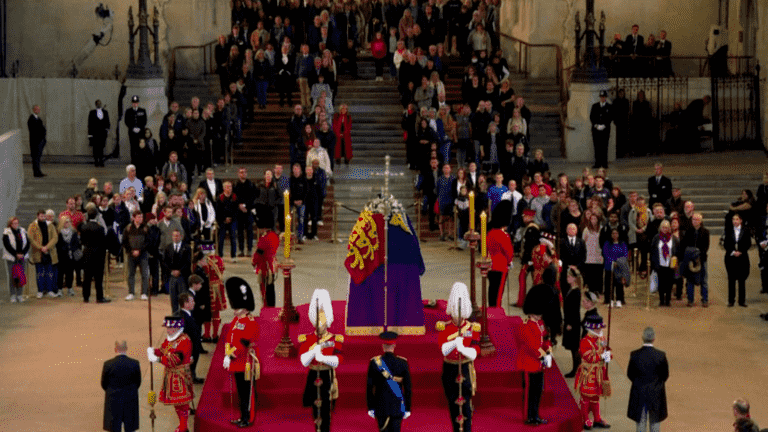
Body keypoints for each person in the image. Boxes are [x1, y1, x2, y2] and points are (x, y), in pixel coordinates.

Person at [437, 282, 480, 432]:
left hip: (466, 369)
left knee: (466, 407)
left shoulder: (471, 328)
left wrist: (463, 348)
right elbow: (443, 349)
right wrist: (455, 343)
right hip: (450, 369)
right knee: (453, 406)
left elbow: (475, 352)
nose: (457, 317)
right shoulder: (445, 327)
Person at [299, 288, 343, 432]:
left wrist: (323, 357)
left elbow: (338, 360)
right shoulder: (307, 338)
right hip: (313, 373)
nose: (319, 327)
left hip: (326, 374)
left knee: (325, 407)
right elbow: (303, 361)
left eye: (322, 324)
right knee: (314, 405)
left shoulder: (334, 339)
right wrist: (313, 352)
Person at [222, 277, 260, 427]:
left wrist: (230, 355)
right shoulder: (236, 321)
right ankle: (242, 416)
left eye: (237, 307)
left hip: (245, 363)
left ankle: (248, 418)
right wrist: (227, 354)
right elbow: (229, 339)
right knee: (240, 393)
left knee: (247, 393)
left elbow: (243, 344)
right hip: (236, 362)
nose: (234, 309)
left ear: (245, 308)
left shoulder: (251, 323)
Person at [146, 315, 194, 432]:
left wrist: (157, 359)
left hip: (180, 376)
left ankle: (183, 427)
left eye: (170, 328)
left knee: (182, 404)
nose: (167, 330)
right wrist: (154, 351)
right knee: (177, 404)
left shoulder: (184, 341)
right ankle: (183, 425)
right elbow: (163, 350)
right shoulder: (170, 339)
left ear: (177, 328)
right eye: (167, 328)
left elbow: (174, 360)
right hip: (171, 376)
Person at [518, 285, 553, 426]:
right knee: (529, 393)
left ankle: (536, 415)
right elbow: (532, 347)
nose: (539, 315)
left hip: (539, 365)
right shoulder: (525, 326)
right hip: (529, 364)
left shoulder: (540, 323)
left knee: (538, 392)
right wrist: (544, 355)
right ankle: (529, 416)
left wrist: (549, 350)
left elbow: (545, 339)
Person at [366, 331, 412, 432]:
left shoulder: (374, 362)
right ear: (394, 345)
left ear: (382, 346)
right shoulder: (402, 362)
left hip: (380, 406)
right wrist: (408, 408)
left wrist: (371, 407)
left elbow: (370, 387)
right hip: (398, 407)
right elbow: (408, 388)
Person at [627, 327, 669, 432]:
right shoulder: (661, 356)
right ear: (654, 338)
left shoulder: (634, 355)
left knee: (640, 424)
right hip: (656, 395)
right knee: (655, 424)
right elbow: (665, 375)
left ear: (642, 338)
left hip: (639, 394)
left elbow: (630, 374)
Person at [575, 315, 612, 430]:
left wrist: (608, 356)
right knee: (586, 398)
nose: (600, 330)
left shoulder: (601, 339)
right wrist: (602, 356)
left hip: (599, 373)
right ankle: (585, 419)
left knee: (596, 397)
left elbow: (607, 351)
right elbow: (589, 358)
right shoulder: (584, 341)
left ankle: (597, 418)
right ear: (592, 329)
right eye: (598, 329)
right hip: (588, 373)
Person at [101, 341, 141, 432]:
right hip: (130, 399)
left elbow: (104, 384)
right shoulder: (135, 363)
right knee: (130, 428)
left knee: (114, 427)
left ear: (115, 349)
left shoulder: (108, 364)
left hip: (113, 400)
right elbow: (138, 382)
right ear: (126, 348)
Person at [487, 201, 514, 307]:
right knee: (498, 295)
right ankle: (495, 313)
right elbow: (509, 253)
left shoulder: (490, 232)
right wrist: (509, 262)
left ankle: (491, 310)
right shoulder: (503, 235)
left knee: (492, 291)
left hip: (490, 265)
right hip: (501, 267)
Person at [28, 209, 59, 298]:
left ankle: (49, 290)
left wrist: (47, 247)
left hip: (49, 252)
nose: (43, 217)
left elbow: (55, 238)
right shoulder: (32, 226)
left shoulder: (50, 226)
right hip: (38, 252)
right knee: (40, 273)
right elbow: (31, 238)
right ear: (37, 216)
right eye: (41, 216)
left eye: (44, 216)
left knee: (49, 272)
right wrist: (41, 247)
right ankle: (40, 291)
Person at [649, 220, 679, 307]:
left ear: (669, 228)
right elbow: (652, 251)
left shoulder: (674, 239)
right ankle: (661, 300)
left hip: (670, 265)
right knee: (661, 284)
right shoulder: (656, 238)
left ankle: (668, 300)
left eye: (666, 227)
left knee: (669, 284)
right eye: (663, 227)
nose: (665, 229)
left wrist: (673, 257)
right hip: (660, 264)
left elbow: (677, 251)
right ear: (660, 228)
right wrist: (654, 264)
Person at [724, 213, 751, 307]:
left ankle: (742, 301)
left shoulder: (746, 230)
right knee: (731, 280)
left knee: (741, 280)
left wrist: (741, 252)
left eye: (737, 219)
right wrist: (732, 252)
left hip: (742, 258)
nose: (735, 221)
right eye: (733, 219)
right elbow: (725, 244)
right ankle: (731, 300)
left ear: (741, 220)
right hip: (731, 258)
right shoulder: (728, 230)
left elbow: (748, 243)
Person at [562, 267, 584, 378]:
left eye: (569, 276)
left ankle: (576, 369)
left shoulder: (576, 292)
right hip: (570, 321)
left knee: (574, 347)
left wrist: (569, 323)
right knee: (573, 347)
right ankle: (577, 368)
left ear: (574, 278)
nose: (567, 278)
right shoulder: (572, 289)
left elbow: (574, 310)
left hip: (573, 323)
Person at [122, 210, 149, 301]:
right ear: (133, 218)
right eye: (138, 217)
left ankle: (144, 293)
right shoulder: (128, 228)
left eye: (141, 217)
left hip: (143, 255)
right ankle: (131, 293)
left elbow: (148, 242)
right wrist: (132, 251)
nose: (140, 219)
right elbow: (125, 242)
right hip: (131, 255)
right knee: (131, 274)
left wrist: (140, 251)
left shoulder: (146, 228)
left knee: (145, 274)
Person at [178, 292, 204, 384]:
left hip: (194, 347)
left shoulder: (188, 314)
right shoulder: (183, 317)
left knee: (192, 367)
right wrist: (189, 355)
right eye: (192, 301)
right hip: (190, 350)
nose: (194, 303)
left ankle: (193, 377)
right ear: (185, 304)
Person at [252, 221, 279, 307]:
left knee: (264, 289)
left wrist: (254, 262)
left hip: (264, 266)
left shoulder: (264, 238)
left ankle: (267, 307)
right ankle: (272, 306)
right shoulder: (274, 235)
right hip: (272, 265)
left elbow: (259, 253)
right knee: (271, 288)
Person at [516, 209, 540, 308]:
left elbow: (531, 246)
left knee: (523, 279)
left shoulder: (531, 229)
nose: (523, 218)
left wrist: (530, 260)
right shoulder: (531, 228)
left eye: (525, 216)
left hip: (530, 260)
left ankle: (523, 302)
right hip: (530, 259)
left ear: (530, 217)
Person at [3, 217, 30, 303]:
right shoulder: (6, 232)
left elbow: (27, 243)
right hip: (11, 257)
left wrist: (22, 253)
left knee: (20, 275)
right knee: (12, 276)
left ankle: (19, 294)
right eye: (14, 223)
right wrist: (16, 254)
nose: (16, 225)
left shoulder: (22, 231)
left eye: (17, 223)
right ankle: (12, 295)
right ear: (10, 224)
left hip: (22, 257)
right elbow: (7, 245)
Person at [164, 229, 191, 314]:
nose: (175, 237)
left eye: (177, 236)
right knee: (173, 299)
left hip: (182, 276)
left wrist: (180, 271)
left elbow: (188, 262)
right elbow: (165, 262)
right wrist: (172, 271)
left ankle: (185, 318)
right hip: (172, 277)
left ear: (181, 236)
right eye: (174, 236)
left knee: (183, 299)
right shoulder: (168, 248)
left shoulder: (187, 247)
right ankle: (175, 318)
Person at [56, 216, 81, 297]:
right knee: (60, 274)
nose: (67, 223)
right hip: (61, 256)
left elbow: (76, 243)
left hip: (71, 256)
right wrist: (65, 249)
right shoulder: (59, 233)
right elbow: (58, 245)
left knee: (70, 273)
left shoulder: (73, 232)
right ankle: (59, 289)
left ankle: (70, 288)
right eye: (65, 222)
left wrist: (71, 249)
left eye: (68, 222)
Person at [217, 181, 239, 261]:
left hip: (232, 220)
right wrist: (224, 218)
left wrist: (231, 218)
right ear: (223, 188)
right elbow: (218, 210)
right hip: (223, 221)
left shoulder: (234, 197)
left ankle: (233, 256)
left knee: (233, 238)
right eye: (227, 187)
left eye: (230, 186)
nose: (229, 188)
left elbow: (236, 210)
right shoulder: (220, 197)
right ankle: (220, 256)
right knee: (221, 238)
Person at [590, 91, 612, 169]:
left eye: (604, 97)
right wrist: (596, 125)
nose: (602, 98)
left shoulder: (609, 106)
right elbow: (592, 117)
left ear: (605, 98)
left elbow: (610, 118)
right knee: (597, 147)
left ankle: (604, 163)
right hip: (596, 130)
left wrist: (604, 125)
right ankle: (597, 163)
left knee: (604, 146)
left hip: (605, 130)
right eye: (601, 97)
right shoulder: (595, 106)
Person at [124, 96, 147, 165]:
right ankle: (133, 161)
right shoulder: (128, 111)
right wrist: (132, 128)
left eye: (136, 103)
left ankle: (140, 161)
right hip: (132, 132)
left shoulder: (142, 110)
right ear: (132, 103)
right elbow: (126, 121)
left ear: (138, 103)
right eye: (134, 103)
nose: (135, 104)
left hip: (140, 132)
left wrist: (139, 128)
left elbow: (144, 121)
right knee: (133, 147)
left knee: (140, 146)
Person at [88, 100, 111, 167]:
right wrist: (90, 134)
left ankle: (101, 161)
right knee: (95, 148)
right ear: (95, 104)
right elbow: (90, 124)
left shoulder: (105, 112)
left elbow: (107, 121)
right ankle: (96, 161)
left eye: (100, 103)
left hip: (102, 133)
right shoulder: (92, 112)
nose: (99, 104)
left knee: (102, 148)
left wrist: (107, 130)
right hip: (95, 133)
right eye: (97, 103)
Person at [27, 104, 47, 177]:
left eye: (38, 109)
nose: (38, 110)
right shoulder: (31, 119)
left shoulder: (38, 118)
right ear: (33, 110)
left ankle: (38, 172)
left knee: (38, 158)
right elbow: (34, 131)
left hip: (39, 142)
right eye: (36, 109)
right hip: (35, 143)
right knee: (35, 158)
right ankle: (36, 173)